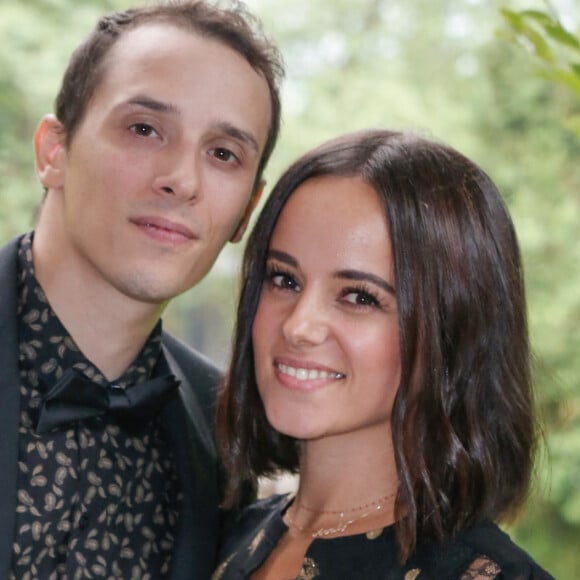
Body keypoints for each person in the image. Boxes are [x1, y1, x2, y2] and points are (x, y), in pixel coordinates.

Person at [0, 1, 283, 578]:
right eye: (145, 129)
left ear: (244, 214)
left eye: (223, 154)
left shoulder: (224, 431)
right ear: (54, 151)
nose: (181, 179)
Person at [213, 129, 554, 579]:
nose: (298, 326)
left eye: (358, 297)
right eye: (284, 280)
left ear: (453, 328)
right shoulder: (216, 539)